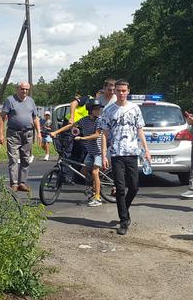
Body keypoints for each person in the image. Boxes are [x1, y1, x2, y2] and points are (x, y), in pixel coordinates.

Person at [99, 79, 151, 235]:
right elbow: (104, 134)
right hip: (116, 153)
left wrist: (146, 150)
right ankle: (123, 220)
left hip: (132, 152)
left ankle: (124, 208)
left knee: (134, 187)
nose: (121, 93)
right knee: (120, 189)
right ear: (115, 92)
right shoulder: (108, 111)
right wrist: (103, 155)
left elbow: (140, 130)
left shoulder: (135, 109)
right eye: (118, 90)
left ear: (128, 91)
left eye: (124, 90)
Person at [52, 99, 105, 206]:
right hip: (90, 151)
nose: (98, 111)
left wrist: (82, 138)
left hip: (99, 151)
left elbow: (96, 134)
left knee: (94, 172)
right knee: (83, 172)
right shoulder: (84, 120)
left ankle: (98, 197)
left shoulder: (100, 120)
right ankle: (94, 187)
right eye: (96, 109)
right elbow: (71, 126)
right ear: (90, 110)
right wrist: (56, 132)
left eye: (99, 109)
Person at [0, 81, 42, 192]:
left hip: (28, 133)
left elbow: (35, 118)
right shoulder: (10, 100)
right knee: (13, 158)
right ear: (17, 89)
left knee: (25, 159)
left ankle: (22, 183)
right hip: (13, 133)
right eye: (22, 89)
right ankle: (14, 184)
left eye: (27, 89)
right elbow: (2, 117)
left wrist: (39, 133)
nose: (24, 91)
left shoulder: (31, 101)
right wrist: (1, 134)